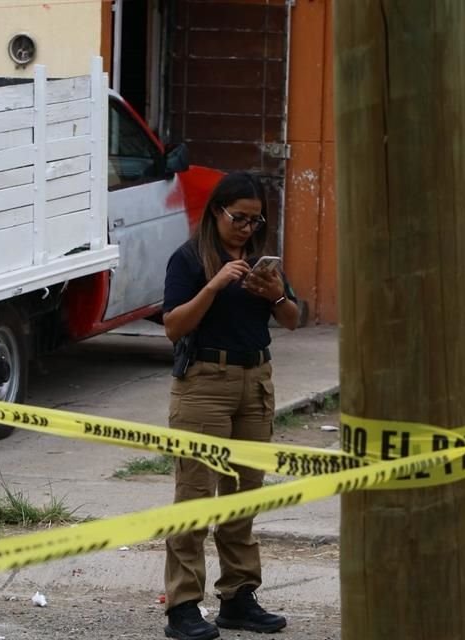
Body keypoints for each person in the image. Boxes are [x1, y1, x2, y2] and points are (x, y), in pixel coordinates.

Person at [161, 171, 299, 640]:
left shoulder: (262, 261)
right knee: (195, 498)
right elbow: (174, 326)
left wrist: (274, 293)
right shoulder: (189, 259)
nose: (246, 228)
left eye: (255, 221)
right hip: (204, 384)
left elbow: (294, 319)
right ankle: (182, 605)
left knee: (244, 497)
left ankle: (238, 597)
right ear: (216, 212)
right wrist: (215, 285)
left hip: (255, 383)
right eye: (238, 218)